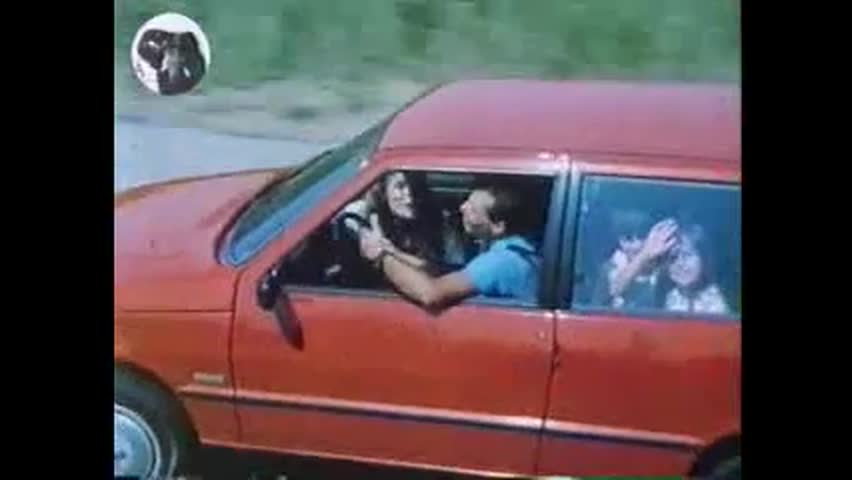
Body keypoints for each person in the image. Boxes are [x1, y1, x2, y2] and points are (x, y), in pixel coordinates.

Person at [358, 183, 540, 308]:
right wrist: (395, 253)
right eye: (467, 201)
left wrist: (381, 257)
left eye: (473, 210)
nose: (462, 208)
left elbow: (431, 294)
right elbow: (449, 272)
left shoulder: (500, 262)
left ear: (498, 226)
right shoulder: (520, 249)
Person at [339, 171, 464, 275]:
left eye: (414, 186)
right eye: (400, 187)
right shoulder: (365, 213)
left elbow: (452, 272)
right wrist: (366, 232)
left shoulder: (440, 224)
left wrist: (395, 252)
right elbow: (343, 214)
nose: (409, 198)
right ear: (384, 191)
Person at [592, 210, 678, 309]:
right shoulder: (610, 267)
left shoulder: (663, 268)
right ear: (620, 242)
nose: (637, 245)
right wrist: (644, 254)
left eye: (641, 237)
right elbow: (613, 290)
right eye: (628, 239)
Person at [662, 224, 730, 315]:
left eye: (687, 255)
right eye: (673, 257)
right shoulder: (667, 297)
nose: (680, 263)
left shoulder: (716, 301)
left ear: (704, 259)